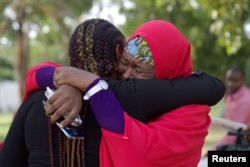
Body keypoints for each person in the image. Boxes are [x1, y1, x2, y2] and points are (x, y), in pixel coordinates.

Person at [0, 19, 225, 167]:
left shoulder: (189, 113)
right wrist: (73, 83)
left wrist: (87, 84)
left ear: (168, 69)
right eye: (124, 63)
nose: (127, 75)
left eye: (139, 69)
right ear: (119, 52)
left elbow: (144, 155)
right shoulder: (108, 101)